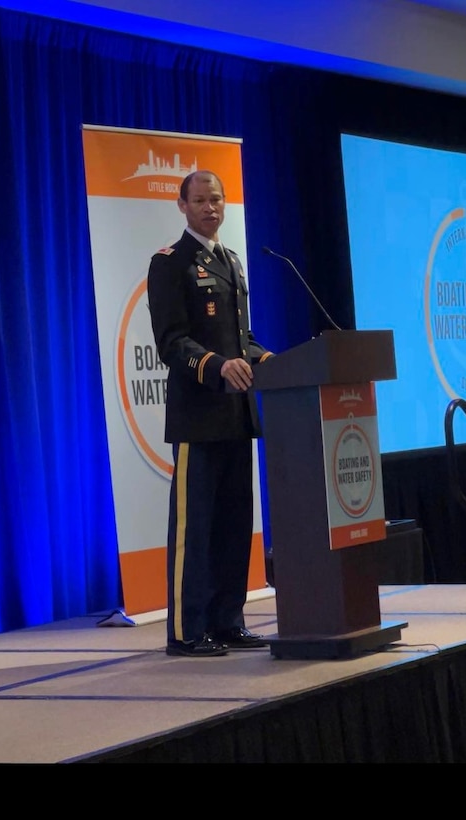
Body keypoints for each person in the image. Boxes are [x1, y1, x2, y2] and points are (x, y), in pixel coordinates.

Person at [147, 169, 274, 657]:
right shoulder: (170, 263)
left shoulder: (233, 262)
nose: (210, 208)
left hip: (237, 416)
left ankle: (227, 620)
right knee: (193, 528)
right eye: (199, 200)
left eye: (216, 199)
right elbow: (172, 342)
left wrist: (268, 360)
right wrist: (218, 366)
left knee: (233, 523)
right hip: (198, 416)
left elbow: (242, 339)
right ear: (182, 206)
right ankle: (185, 630)